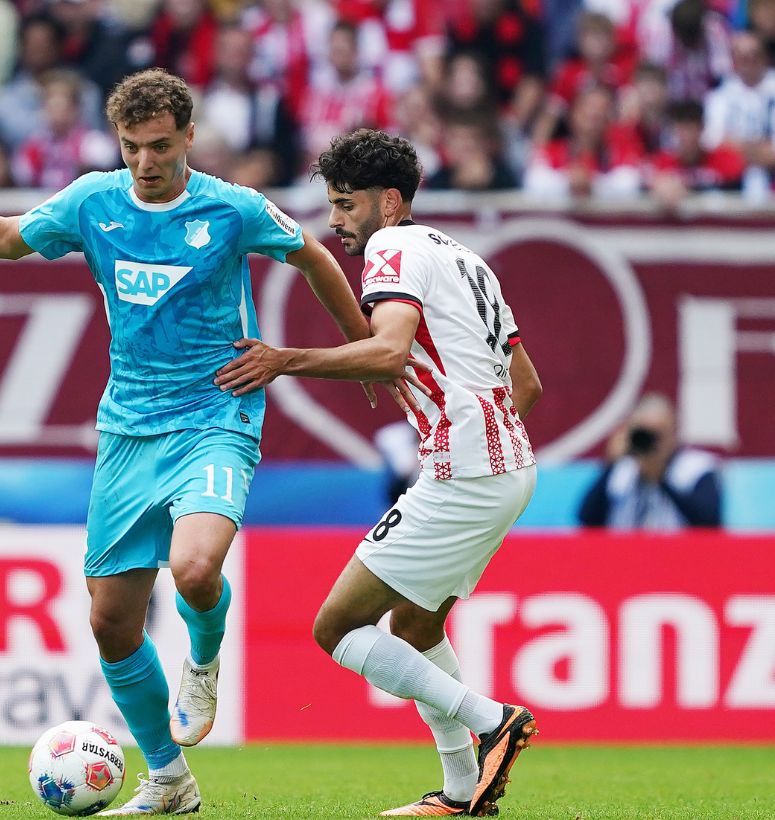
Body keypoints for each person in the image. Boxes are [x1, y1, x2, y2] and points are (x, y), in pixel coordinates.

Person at [0, 68, 376, 815]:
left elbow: (311, 254)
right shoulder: (92, 201)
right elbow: (9, 238)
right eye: (132, 146)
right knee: (111, 622)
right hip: (127, 430)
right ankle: (169, 779)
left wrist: (361, 348)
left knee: (195, 567)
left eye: (160, 146)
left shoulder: (230, 208)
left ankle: (202, 662)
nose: (146, 162)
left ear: (187, 138)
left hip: (216, 413)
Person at [247, 129, 542, 816]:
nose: (335, 221)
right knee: (413, 625)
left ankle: (491, 717)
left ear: (387, 202)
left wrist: (281, 358)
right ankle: (463, 793)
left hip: (465, 470)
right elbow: (524, 382)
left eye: (344, 205)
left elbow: (386, 352)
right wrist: (473, 437)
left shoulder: (393, 248)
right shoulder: (464, 257)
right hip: (503, 467)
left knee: (335, 628)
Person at [577, 393, 722, 530]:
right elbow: (587, 520)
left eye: (656, 434)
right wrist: (610, 466)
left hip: (679, 552)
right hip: (625, 552)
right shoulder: (621, 470)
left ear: (674, 433)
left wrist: (660, 479)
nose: (649, 442)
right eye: (643, 434)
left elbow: (709, 523)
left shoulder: (695, 469)